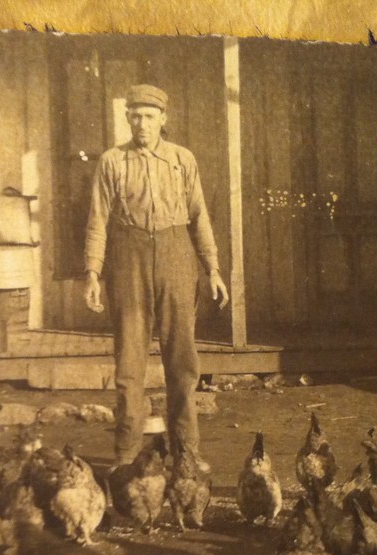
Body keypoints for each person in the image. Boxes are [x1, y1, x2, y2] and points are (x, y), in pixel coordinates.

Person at [83, 83, 229, 468]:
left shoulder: (182, 159)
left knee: (181, 359)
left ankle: (186, 451)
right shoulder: (112, 162)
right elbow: (97, 220)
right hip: (128, 259)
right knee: (129, 362)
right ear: (127, 118)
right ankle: (126, 453)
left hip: (176, 255)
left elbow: (199, 216)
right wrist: (93, 272)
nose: (141, 124)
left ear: (163, 119)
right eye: (134, 116)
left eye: (149, 116)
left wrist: (212, 268)